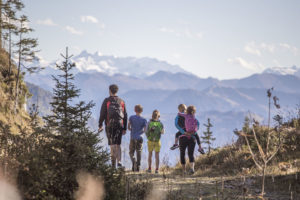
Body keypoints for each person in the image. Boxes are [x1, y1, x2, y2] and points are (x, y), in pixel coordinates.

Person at [98, 84, 128, 169]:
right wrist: (124, 128)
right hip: (119, 125)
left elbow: (102, 114)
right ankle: (119, 162)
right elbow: (125, 115)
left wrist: (100, 125)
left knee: (112, 145)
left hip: (109, 125)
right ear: (117, 91)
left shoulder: (106, 101)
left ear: (110, 91)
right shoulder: (121, 101)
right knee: (118, 144)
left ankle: (113, 165)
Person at [178, 105, 203, 174]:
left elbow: (179, 116)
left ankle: (184, 171)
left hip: (183, 137)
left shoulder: (184, 116)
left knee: (182, 153)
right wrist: (193, 132)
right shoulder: (195, 118)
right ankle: (192, 169)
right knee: (191, 154)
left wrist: (181, 112)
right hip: (192, 137)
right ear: (194, 112)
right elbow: (198, 126)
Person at [128, 104, 147, 172]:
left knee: (131, 152)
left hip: (132, 137)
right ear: (141, 111)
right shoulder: (144, 120)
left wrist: (131, 130)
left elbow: (128, 127)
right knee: (138, 151)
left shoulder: (131, 117)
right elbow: (145, 130)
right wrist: (141, 132)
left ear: (134, 110)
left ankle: (134, 162)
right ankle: (138, 166)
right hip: (140, 138)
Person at [146, 110, 164, 174]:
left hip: (150, 140)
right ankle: (156, 169)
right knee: (157, 155)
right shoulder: (161, 123)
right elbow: (162, 132)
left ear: (152, 115)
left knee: (150, 154)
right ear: (158, 116)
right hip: (157, 141)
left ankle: (149, 168)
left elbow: (146, 131)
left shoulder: (149, 123)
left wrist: (148, 137)